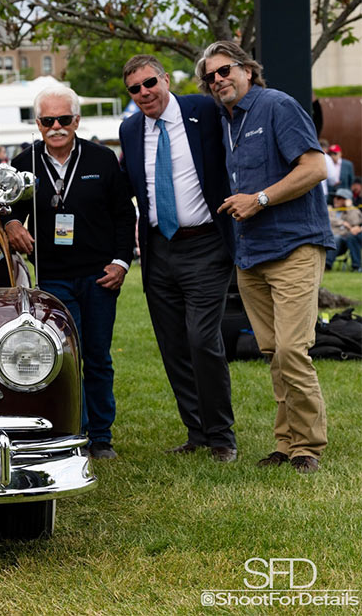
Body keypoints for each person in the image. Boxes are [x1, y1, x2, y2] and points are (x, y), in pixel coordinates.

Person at [197, 40, 334, 473]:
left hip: (294, 245)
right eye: (211, 76)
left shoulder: (277, 105)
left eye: (225, 71)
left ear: (247, 71)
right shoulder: (226, 120)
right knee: (274, 352)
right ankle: (285, 442)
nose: (218, 80)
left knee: (293, 350)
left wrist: (259, 198)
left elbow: (315, 168)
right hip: (251, 253)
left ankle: (307, 447)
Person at [2, 84, 136, 460]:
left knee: (97, 357)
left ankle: (101, 437)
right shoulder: (24, 163)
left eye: (64, 119)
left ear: (77, 121)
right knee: (62, 359)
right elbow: (4, 208)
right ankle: (69, 431)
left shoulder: (102, 159)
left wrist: (121, 262)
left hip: (98, 276)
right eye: (48, 120)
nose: (56, 126)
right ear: (38, 123)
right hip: (53, 277)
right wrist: (13, 224)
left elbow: (125, 216)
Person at [118, 54, 238, 462]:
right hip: (158, 249)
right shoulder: (131, 128)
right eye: (134, 89)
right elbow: (123, 189)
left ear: (166, 79)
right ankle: (197, 433)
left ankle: (221, 436)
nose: (144, 93)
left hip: (206, 243)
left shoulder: (203, 110)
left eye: (150, 83)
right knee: (173, 345)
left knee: (203, 338)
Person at [326, 188, 362, 271]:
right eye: (335, 197)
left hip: (342, 243)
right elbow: (326, 219)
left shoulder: (351, 211)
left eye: (339, 198)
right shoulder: (329, 209)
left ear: (346, 200)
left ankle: (327, 265)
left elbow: (356, 222)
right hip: (326, 239)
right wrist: (342, 223)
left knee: (337, 238)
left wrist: (349, 207)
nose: (335, 200)